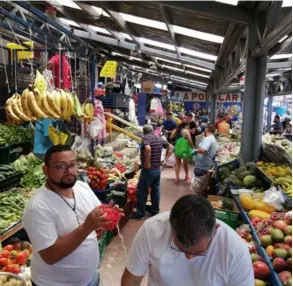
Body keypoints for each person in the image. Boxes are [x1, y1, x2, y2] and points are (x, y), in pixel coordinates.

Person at [22, 145, 123, 286]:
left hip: (91, 278)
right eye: (60, 166)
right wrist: (87, 227)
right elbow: (50, 256)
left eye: (72, 164)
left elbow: (95, 227)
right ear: (46, 170)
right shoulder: (37, 207)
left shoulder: (82, 187)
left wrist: (105, 221)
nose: (69, 171)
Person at [121, 194, 254, 286]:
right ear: (170, 226)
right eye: (180, 249)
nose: (189, 257)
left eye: (199, 252)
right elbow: (132, 280)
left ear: (216, 230)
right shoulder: (152, 230)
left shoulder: (235, 251)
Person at [131, 125, 173, 220]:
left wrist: (147, 162)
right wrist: (165, 160)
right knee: (155, 190)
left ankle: (140, 213)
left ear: (144, 131)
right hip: (157, 169)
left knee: (142, 191)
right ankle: (154, 211)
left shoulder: (146, 137)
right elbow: (171, 147)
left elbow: (148, 148)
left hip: (148, 170)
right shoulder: (159, 138)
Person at [191, 124, 217, 195]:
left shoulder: (208, 139)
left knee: (196, 190)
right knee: (202, 189)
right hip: (205, 166)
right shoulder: (212, 138)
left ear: (206, 130)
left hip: (202, 167)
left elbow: (203, 150)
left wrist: (195, 151)